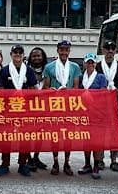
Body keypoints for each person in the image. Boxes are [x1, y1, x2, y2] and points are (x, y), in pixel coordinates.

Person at [0, 44, 38, 177]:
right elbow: (0, 90)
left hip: (24, 109)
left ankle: (22, 164)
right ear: (11, 54)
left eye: (20, 52)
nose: (18, 54)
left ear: (23, 54)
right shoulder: (5, 71)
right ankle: (5, 164)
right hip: (9, 109)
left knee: (24, 138)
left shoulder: (29, 71)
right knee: (6, 137)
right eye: (15, 52)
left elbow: (34, 89)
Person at [43, 40, 81, 176]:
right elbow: (46, 87)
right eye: (62, 50)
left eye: (66, 50)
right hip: (54, 106)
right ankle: (55, 162)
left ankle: (66, 162)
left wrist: (68, 92)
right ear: (57, 50)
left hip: (69, 105)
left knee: (68, 136)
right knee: (55, 135)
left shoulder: (75, 66)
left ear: (69, 51)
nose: (64, 52)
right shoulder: (49, 67)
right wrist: (51, 90)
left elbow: (76, 87)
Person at [95, 40, 118, 172]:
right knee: (102, 132)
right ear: (102, 50)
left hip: (117, 104)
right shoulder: (97, 66)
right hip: (101, 106)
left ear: (115, 51)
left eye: (112, 48)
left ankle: (114, 160)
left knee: (115, 133)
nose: (110, 51)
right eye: (107, 48)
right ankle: (100, 159)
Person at [77, 53, 108, 179]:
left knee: (97, 142)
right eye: (88, 63)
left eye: (92, 63)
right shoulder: (80, 77)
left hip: (97, 114)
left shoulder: (100, 77)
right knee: (86, 140)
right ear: (84, 64)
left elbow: (104, 94)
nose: (90, 65)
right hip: (84, 113)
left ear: (95, 64)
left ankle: (96, 165)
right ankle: (87, 164)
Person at [26, 47, 49, 171]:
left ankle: (36, 157)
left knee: (40, 134)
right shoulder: (26, 70)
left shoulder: (48, 70)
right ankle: (28, 158)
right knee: (29, 134)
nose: (36, 58)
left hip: (43, 107)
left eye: (39, 56)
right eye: (34, 56)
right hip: (29, 108)